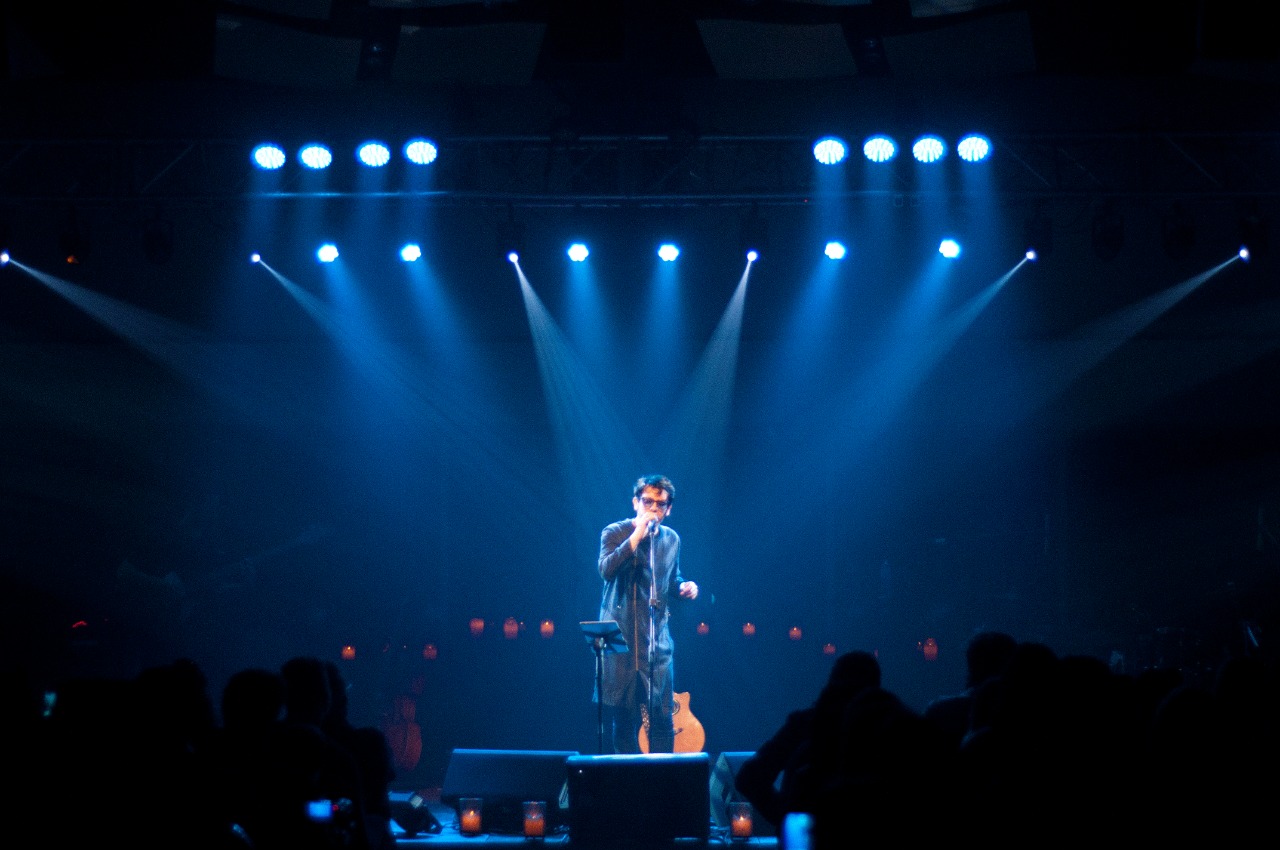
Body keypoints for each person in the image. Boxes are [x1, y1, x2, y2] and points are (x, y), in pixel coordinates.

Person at [596, 474, 698, 754]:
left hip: (657, 643)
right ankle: (628, 785)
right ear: (635, 503)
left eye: (660, 504)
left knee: (662, 719)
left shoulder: (671, 540)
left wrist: (685, 587)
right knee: (624, 720)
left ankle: (660, 785)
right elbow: (606, 570)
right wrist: (636, 534)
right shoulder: (614, 532)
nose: (653, 508)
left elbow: (671, 579)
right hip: (622, 643)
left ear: (669, 509)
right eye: (647, 501)